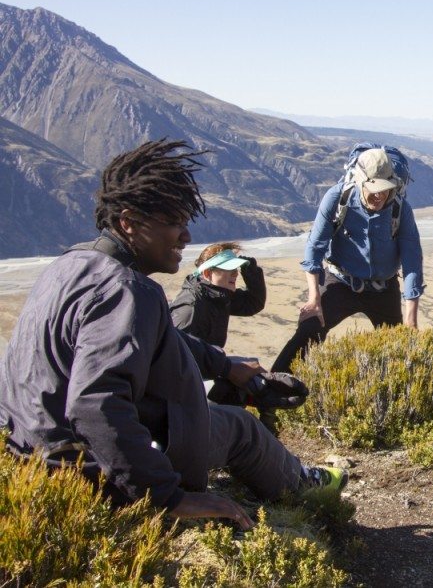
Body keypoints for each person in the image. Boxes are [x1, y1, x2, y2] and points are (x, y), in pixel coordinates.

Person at [0, 140, 344, 531]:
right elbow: (95, 404)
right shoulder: (128, 290)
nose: (184, 237)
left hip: (31, 450)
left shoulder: (72, 263)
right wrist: (170, 498)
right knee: (239, 427)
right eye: (174, 223)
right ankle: (304, 486)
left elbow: (165, 339)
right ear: (129, 222)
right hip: (79, 468)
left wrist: (226, 366)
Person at [272, 147, 424, 374]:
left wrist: (411, 319)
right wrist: (314, 298)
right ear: (359, 180)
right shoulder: (337, 197)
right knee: (309, 330)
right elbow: (314, 247)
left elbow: (412, 260)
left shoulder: (401, 209)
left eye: (385, 189)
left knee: (400, 348)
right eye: (373, 189)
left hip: (383, 288)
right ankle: (269, 392)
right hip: (340, 281)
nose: (380, 195)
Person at [170, 242, 266, 348]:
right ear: (207, 273)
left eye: (235, 269)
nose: (235, 274)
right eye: (229, 268)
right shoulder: (190, 310)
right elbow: (178, 357)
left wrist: (253, 275)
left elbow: (252, 304)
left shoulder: (217, 295)